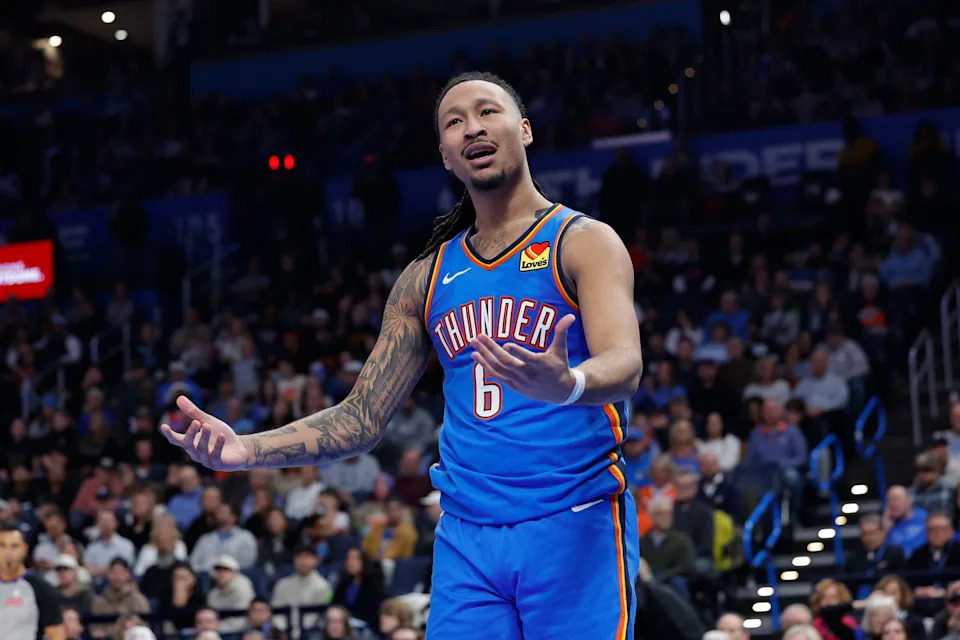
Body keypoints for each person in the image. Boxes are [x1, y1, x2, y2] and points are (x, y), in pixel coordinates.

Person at [162, 71, 644, 640]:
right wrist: (245, 450)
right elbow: (362, 418)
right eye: (454, 122)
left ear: (526, 130)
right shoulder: (427, 277)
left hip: (573, 518)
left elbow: (625, 363)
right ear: (444, 156)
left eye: (488, 112)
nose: (473, 128)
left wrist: (568, 384)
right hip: (467, 536)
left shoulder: (584, 241)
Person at [0, 521, 65, 640]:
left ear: (24, 549)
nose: (8, 553)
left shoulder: (41, 589)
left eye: (14, 546)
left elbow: (57, 635)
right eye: (2, 545)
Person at [638, 497, 694, 600]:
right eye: (660, 513)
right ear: (651, 516)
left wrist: (662, 577)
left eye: (669, 513)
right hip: (648, 583)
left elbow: (687, 566)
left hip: (670, 583)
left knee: (678, 582)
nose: (666, 517)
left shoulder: (682, 539)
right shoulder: (642, 542)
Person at [270, 545, 333, 633]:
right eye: (299, 557)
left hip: (311, 633)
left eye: (307, 557)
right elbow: (276, 612)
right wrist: (283, 629)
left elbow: (320, 615)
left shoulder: (324, 587)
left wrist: (300, 631)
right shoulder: (282, 584)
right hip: (284, 632)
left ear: (315, 560)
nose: (303, 561)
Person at [362, 496, 418, 561]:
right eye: (389, 509)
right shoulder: (377, 529)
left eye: (395, 509)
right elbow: (365, 548)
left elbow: (407, 556)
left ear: (401, 511)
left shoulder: (409, 533)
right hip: (373, 565)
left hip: (396, 566)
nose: (393, 513)